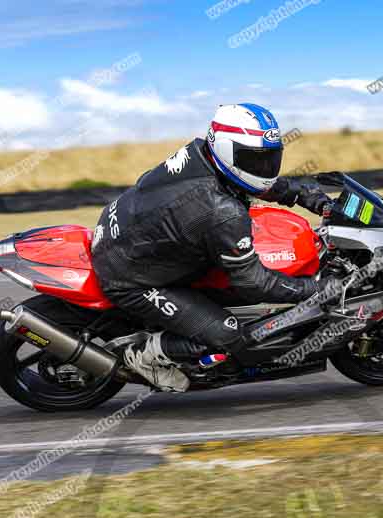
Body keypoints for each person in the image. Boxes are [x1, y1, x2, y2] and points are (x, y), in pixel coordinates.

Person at [91, 103, 334, 392]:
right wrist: (318, 291)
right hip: (129, 277)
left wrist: (309, 196)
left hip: (121, 228)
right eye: (256, 160)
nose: (265, 168)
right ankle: (145, 356)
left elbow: (253, 181)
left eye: (270, 158)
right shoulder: (222, 211)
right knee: (228, 334)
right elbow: (255, 283)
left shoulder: (201, 154)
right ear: (227, 150)